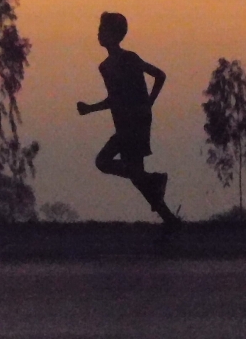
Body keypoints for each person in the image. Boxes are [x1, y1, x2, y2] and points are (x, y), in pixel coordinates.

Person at [77, 12, 181, 230]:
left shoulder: (130, 59)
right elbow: (113, 99)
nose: (99, 34)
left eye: (103, 30)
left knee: (106, 163)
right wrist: (90, 109)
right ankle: (168, 215)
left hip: (137, 122)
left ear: (115, 34)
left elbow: (159, 75)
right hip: (123, 123)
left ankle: (157, 189)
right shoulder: (104, 67)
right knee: (134, 174)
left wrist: (148, 104)